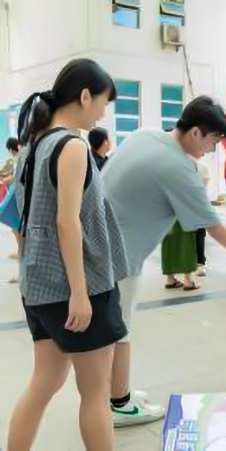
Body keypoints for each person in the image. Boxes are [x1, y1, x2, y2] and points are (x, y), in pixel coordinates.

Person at [101, 95, 226, 426]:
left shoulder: (144, 135)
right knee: (120, 330)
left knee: (113, 328)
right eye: (213, 141)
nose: (211, 150)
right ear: (196, 132)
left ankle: (116, 390)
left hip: (98, 246)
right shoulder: (178, 167)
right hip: (119, 259)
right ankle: (119, 404)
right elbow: (215, 228)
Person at [7, 59, 129, 451]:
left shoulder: (34, 144)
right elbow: (67, 221)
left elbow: (24, 216)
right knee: (95, 394)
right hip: (78, 287)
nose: (103, 112)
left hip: (38, 285)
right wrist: (79, 292)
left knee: (45, 382)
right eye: (104, 102)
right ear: (85, 95)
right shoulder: (72, 146)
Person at [1, 137, 23, 267]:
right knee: (16, 227)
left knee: (17, 227)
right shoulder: (20, 158)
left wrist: (6, 180)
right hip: (16, 195)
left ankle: (21, 253)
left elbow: (16, 178)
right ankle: (20, 252)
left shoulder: (20, 158)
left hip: (16, 196)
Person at [161, 220, 199, 291]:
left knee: (168, 243)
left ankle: (170, 279)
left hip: (165, 218)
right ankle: (188, 280)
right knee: (186, 242)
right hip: (183, 217)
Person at [195, 157, 211, 277]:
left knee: (199, 234)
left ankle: (200, 263)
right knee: (198, 234)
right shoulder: (203, 167)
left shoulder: (203, 167)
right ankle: (199, 263)